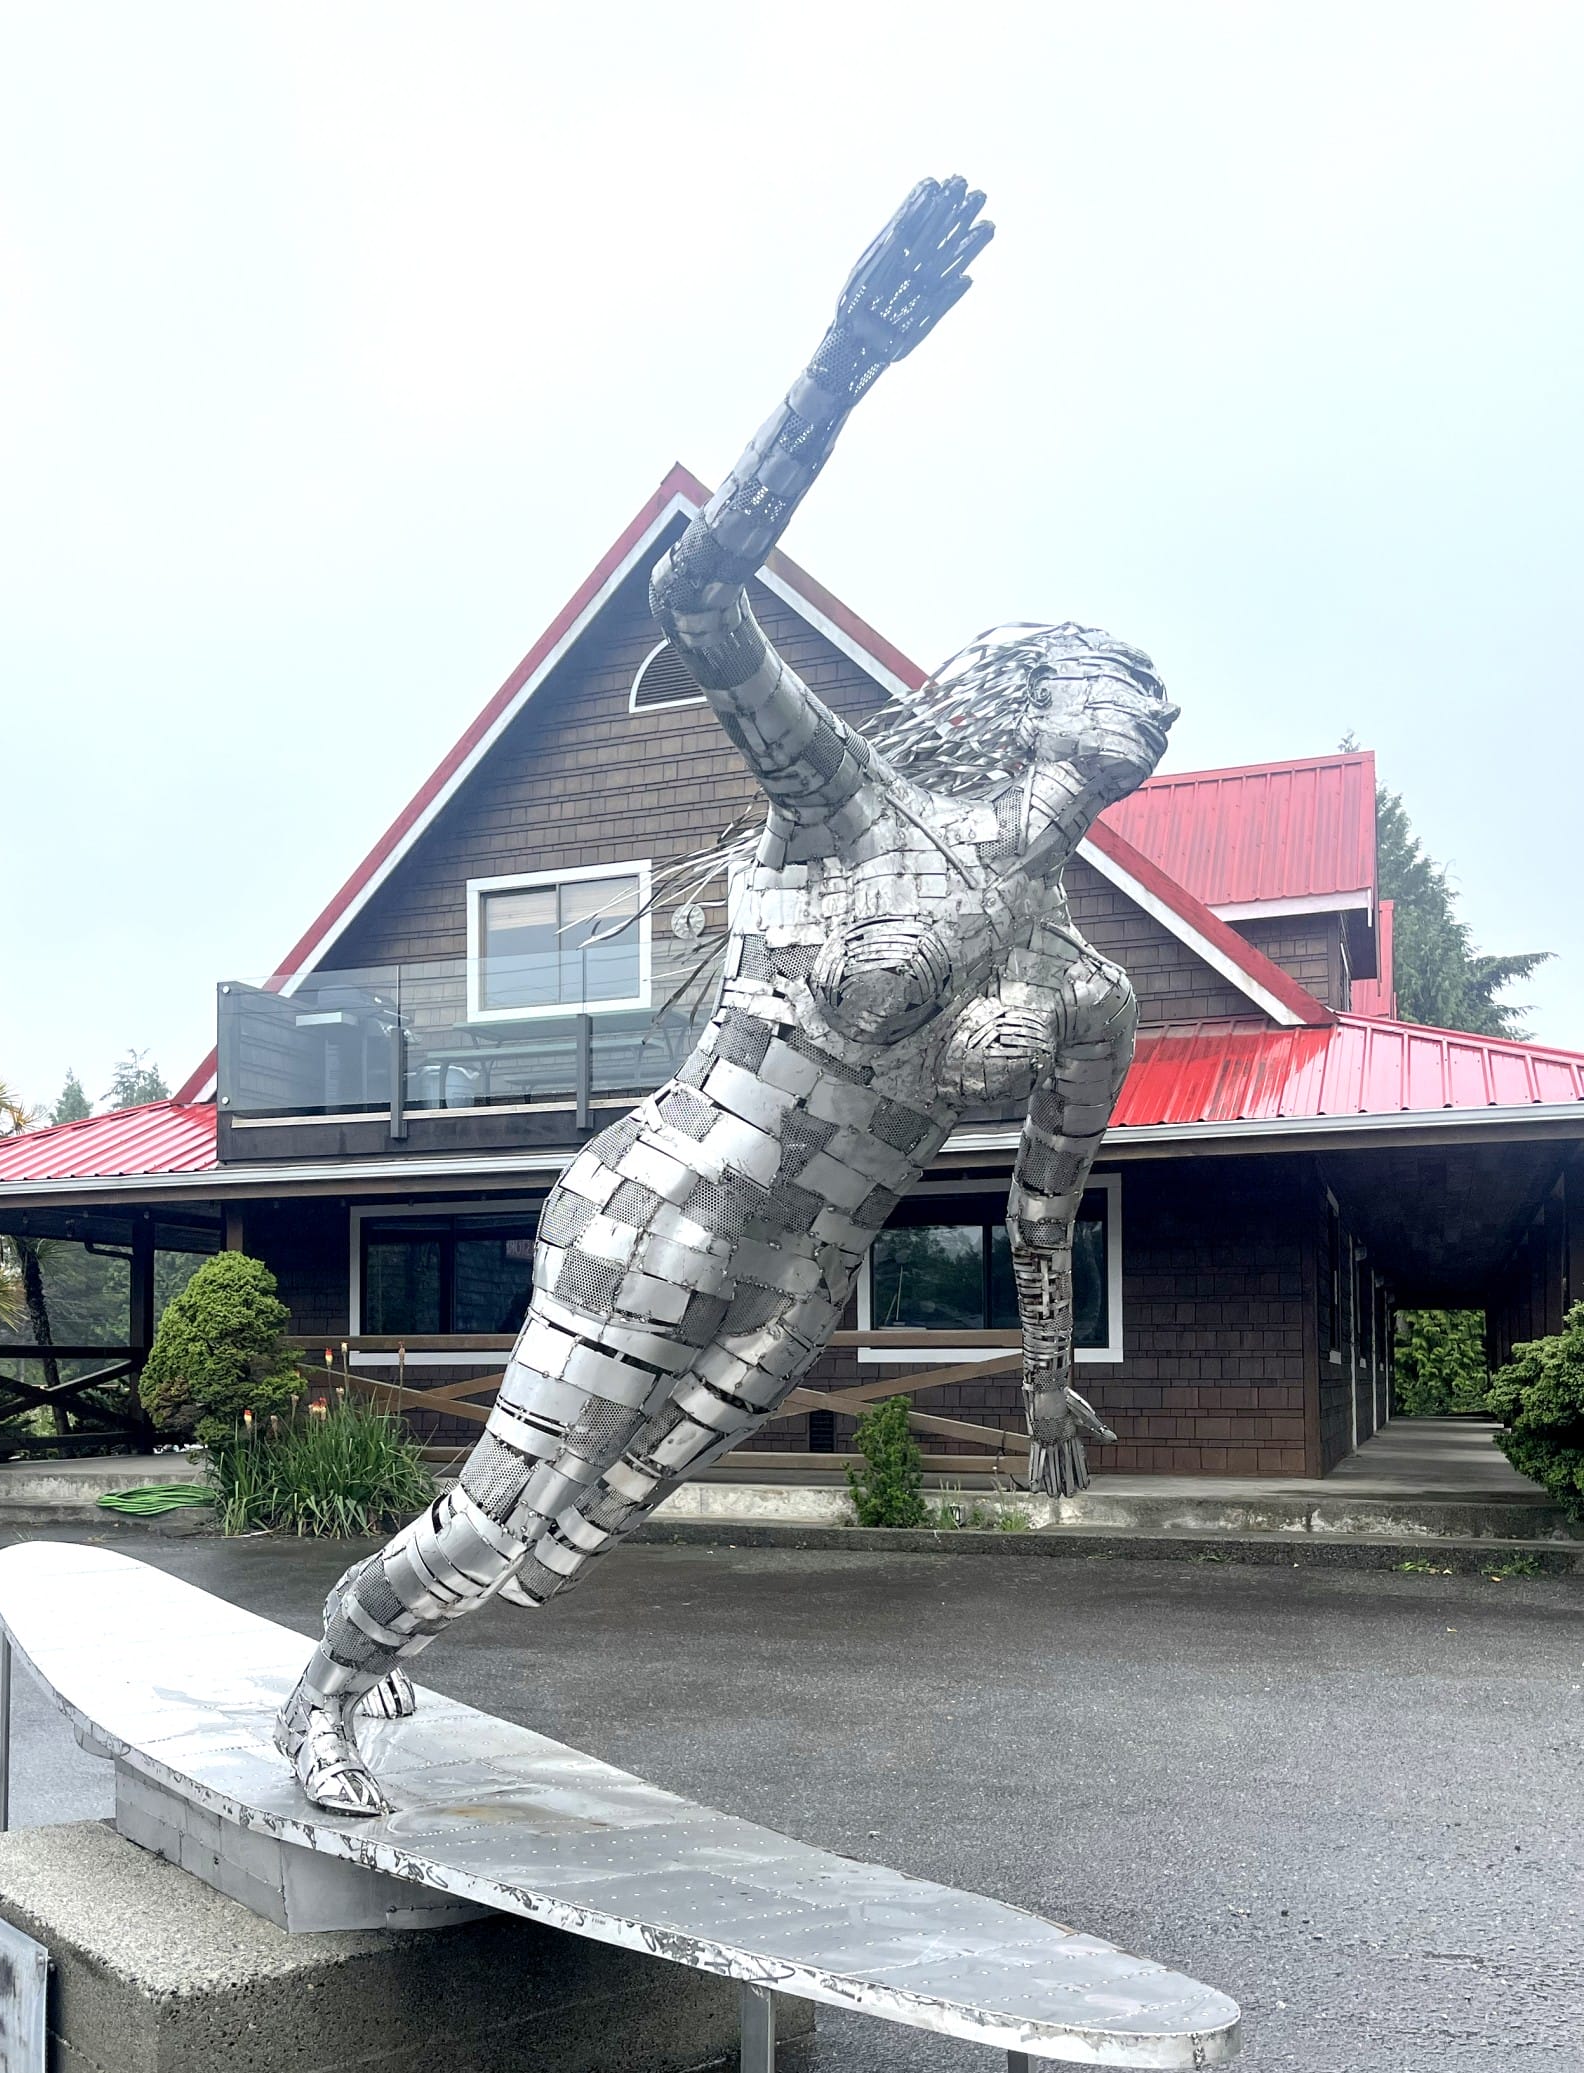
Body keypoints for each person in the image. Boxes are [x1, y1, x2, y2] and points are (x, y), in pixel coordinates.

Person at [277, 177, 1177, 1813]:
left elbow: (1049, 1212)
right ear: (1041, 700)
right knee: (501, 1505)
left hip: (794, 1287)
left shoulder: (1085, 989)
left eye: (1154, 715)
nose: (1144, 715)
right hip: (677, 1198)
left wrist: (1049, 1385)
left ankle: (384, 1660)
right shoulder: (857, 812)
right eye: (1114, 689)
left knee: (568, 1534)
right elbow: (696, 601)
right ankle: (329, 1684)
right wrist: (845, 362)